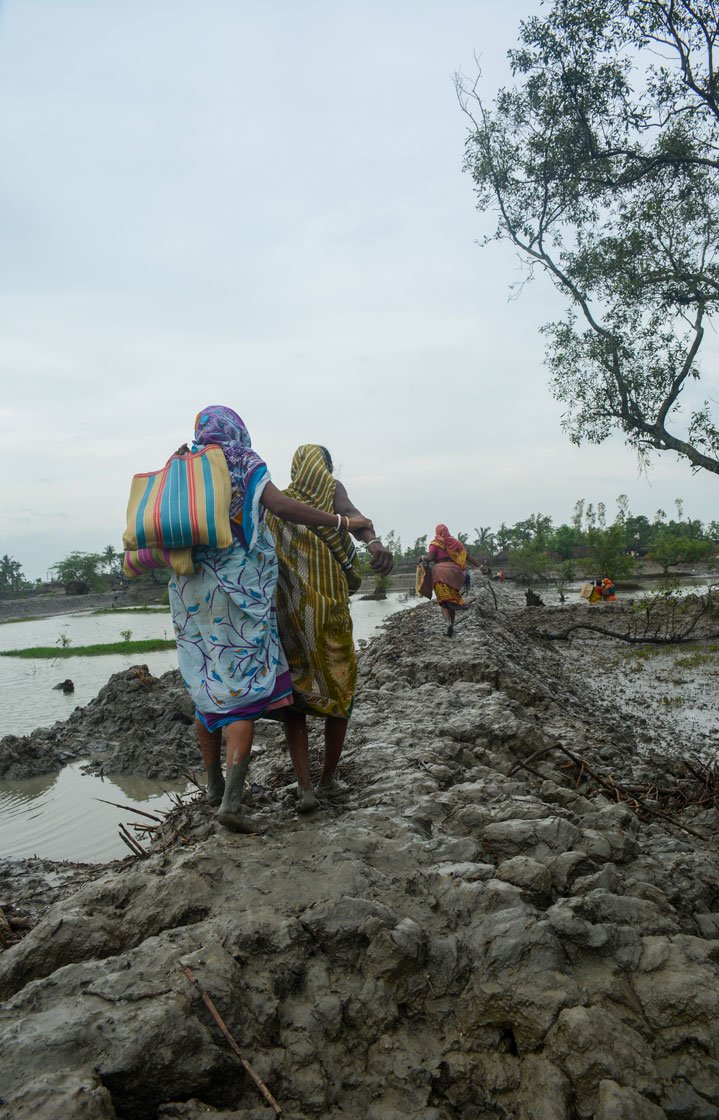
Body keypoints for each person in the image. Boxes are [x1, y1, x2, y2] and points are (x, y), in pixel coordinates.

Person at [168, 408, 373, 832]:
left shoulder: (180, 463)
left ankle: (213, 783)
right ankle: (232, 803)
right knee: (242, 691)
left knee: (207, 681)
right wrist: (341, 522)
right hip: (237, 592)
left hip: (188, 592)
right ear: (237, 430)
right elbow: (279, 506)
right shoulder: (242, 461)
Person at [266, 444, 393, 813]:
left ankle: (305, 788)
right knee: (339, 689)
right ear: (326, 467)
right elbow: (355, 517)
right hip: (330, 612)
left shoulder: (279, 502)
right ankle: (327, 780)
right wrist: (375, 542)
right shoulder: (331, 491)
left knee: (296, 701)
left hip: (288, 615)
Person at [423, 524, 481, 637]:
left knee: (444, 602)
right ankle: (452, 627)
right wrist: (480, 566)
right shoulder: (455, 543)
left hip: (440, 572)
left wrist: (422, 558)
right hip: (455, 572)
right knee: (452, 600)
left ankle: (448, 624)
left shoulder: (435, 543)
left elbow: (430, 558)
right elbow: (466, 556)